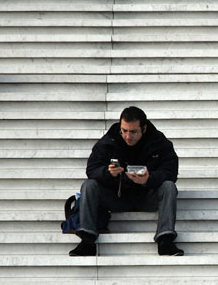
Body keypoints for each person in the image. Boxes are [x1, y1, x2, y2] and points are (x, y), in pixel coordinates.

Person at [70, 106, 180, 256]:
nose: (128, 136)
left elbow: (171, 172)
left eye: (133, 132)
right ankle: (87, 241)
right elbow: (92, 169)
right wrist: (109, 173)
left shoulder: (159, 142)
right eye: (124, 131)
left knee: (169, 187)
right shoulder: (109, 140)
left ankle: (165, 240)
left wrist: (149, 179)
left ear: (144, 128)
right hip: (117, 196)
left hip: (147, 196)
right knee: (89, 185)